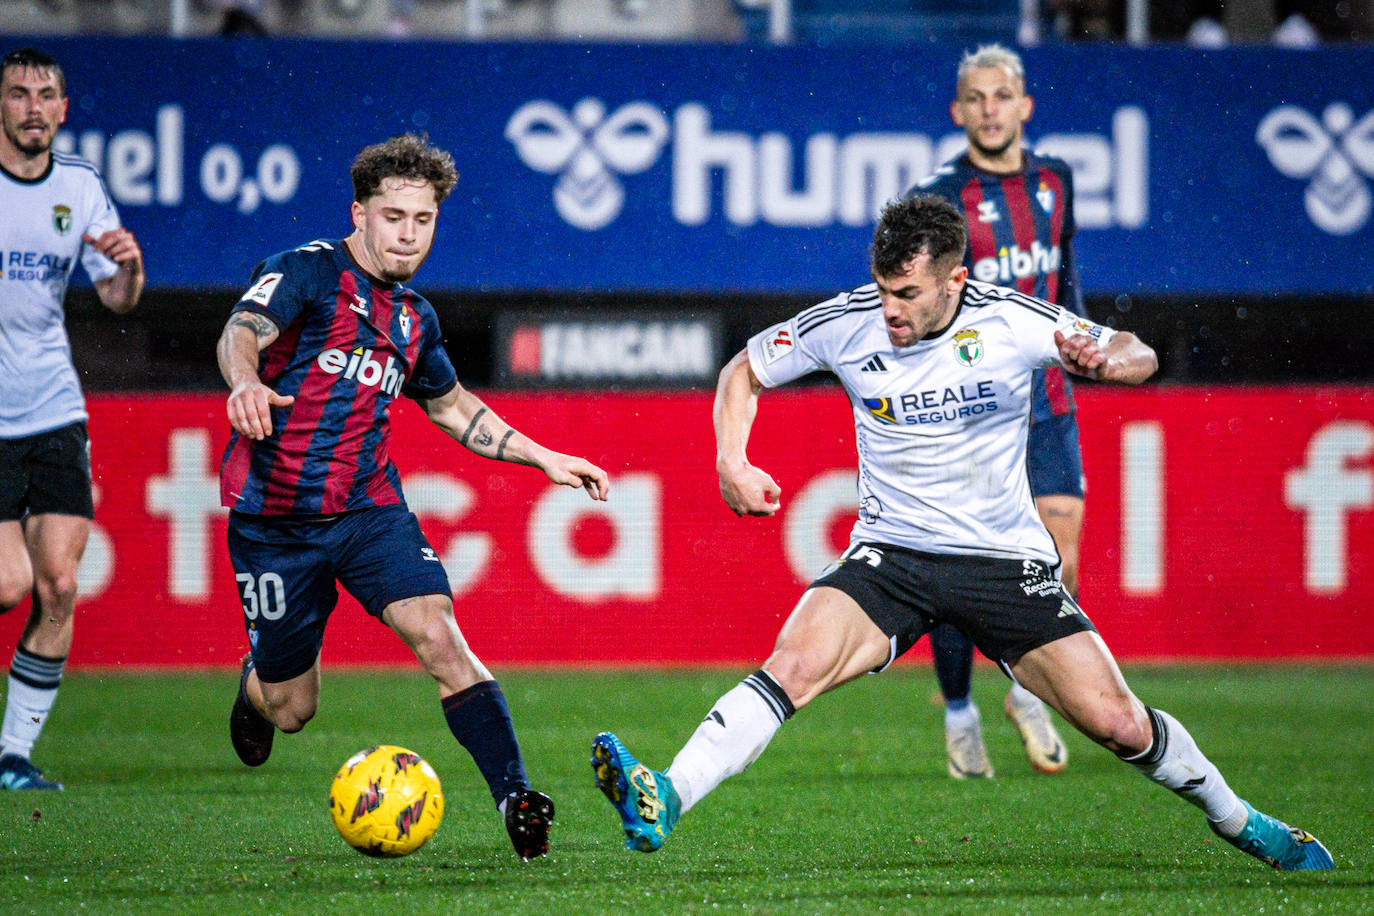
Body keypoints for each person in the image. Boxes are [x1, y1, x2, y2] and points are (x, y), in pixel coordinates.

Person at [589, 195, 1333, 873]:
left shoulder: (1013, 318)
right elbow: (742, 371)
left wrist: (1109, 359)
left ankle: (1242, 822)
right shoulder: (847, 322)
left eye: (907, 294)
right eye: (882, 291)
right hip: (892, 556)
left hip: (1003, 563)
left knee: (1118, 723)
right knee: (794, 665)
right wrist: (732, 459)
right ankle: (668, 793)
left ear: (954, 281)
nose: (889, 311)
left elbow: (1138, 351)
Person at [217, 134, 609, 861]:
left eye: (422, 220)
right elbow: (243, 330)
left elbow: (455, 408)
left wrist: (543, 457)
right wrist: (245, 381)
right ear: (359, 213)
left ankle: (516, 799)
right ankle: (255, 691)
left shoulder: (413, 318)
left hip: (368, 511)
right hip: (275, 524)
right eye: (392, 216)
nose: (406, 234)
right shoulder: (305, 271)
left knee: (441, 635)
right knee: (293, 708)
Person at [904, 43, 1078, 780]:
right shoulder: (941, 196)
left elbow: (1067, 274)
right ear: (959, 111)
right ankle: (959, 713)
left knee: (1057, 559)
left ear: (1025, 104)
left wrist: (1084, 341)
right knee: (961, 572)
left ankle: (1023, 689)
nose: (990, 109)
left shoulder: (1055, 180)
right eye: (976, 98)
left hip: (1048, 400)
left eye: (1001, 95)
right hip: (974, 408)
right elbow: (920, 298)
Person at [0, 47, 145, 791]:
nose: (32, 106)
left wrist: (128, 266)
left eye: (45, 94)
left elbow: (118, 298)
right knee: (6, 582)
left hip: (53, 407)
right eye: (19, 93)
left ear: (63, 110)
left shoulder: (80, 185)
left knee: (57, 586)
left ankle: (12, 756)